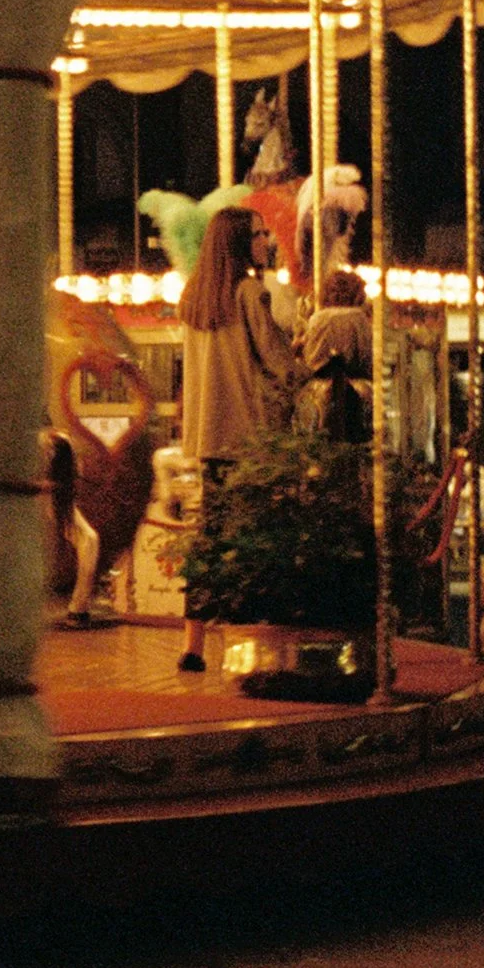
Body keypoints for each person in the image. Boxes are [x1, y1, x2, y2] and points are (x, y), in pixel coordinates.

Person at [176, 207, 295, 670]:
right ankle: (250, 643)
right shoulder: (249, 292)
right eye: (260, 234)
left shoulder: (195, 296)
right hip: (250, 438)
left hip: (210, 439)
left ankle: (194, 644)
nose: (267, 241)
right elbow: (276, 360)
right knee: (256, 538)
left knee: (210, 539)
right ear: (239, 243)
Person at [293, 269, 372, 442]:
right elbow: (367, 357)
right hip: (356, 385)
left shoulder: (317, 318)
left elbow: (310, 359)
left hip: (319, 386)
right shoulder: (360, 319)